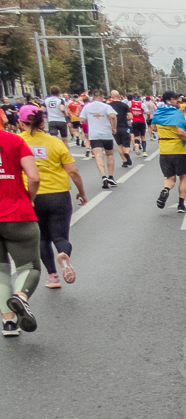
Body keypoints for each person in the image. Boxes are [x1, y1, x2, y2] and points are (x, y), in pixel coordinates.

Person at [18, 104, 85, 290]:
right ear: (42, 121)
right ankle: (63, 254)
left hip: (32, 196)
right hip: (59, 195)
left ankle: (53, 276)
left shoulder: (17, 142)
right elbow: (73, 171)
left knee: (42, 238)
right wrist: (81, 191)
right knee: (60, 235)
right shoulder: (55, 142)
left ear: (20, 123)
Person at [0, 123, 41, 337]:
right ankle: (21, 297)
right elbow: (34, 177)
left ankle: (8, 323)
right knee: (29, 267)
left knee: (0, 270)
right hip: (17, 213)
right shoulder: (15, 141)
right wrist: (29, 199)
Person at [151, 91, 186, 213]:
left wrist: (164, 129)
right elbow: (181, 132)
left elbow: (153, 128)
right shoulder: (177, 113)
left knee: (170, 178)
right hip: (178, 149)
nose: (180, 100)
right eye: (177, 99)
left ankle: (166, 189)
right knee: (183, 177)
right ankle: (181, 205)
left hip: (164, 150)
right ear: (169, 100)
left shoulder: (159, 112)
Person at [79, 93, 118, 189]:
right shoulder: (106, 106)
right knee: (109, 155)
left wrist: (91, 121)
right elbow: (113, 116)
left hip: (94, 135)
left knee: (98, 156)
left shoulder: (87, 107)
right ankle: (111, 176)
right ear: (101, 97)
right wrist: (114, 127)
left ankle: (103, 177)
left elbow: (82, 119)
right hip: (106, 134)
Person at [108, 90, 132, 169]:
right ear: (119, 96)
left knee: (119, 145)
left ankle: (124, 161)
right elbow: (130, 116)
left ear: (111, 96)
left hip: (115, 127)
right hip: (124, 126)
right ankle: (127, 153)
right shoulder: (124, 105)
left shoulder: (109, 106)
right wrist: (125, 118)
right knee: (127, 144)